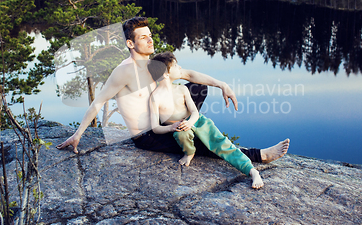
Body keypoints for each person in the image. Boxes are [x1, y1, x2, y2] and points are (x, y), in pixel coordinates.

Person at [56, 17, 289, 167]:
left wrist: (223, 84)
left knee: (198, 88)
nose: (150, 40)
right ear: (130, 44)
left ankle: (189, 126)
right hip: (150, 135)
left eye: (150, 35)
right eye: (143, 37)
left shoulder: (154, 64)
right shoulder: (124, 72)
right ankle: (259, 156)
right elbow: (98, 102)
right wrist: (78, 135)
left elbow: (189, 75)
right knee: (201, 140)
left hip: (167, 118)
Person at [148, 52, 265, 188]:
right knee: (182, 134)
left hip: (197, 122)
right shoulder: (155, 98)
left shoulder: (182, 89)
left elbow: (195, 112)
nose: (180, 68)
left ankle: (252, 171)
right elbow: (155, 127)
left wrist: (191, 122)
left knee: (221, 143)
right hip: (179, 128)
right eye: (175, 66)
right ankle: (189, 152)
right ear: (165, 74)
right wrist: (171, 127)